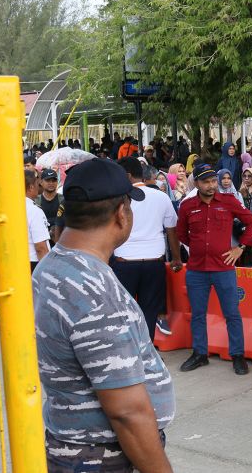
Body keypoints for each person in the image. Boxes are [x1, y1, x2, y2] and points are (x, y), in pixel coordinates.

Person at [33, 158, 174, 472]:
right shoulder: (94, 292)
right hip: (103, 456)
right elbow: (126, 412)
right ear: (121, 214)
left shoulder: (52, 266)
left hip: (72, 446)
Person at [176, 164, 252, 374]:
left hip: (224, 268)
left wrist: (240, 248)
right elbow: (182, 234)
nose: (212, 186)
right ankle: (200, 354)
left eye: (213, 181)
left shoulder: (229, 202)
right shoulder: (187, 206)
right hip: (196, 269)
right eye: (206, 182)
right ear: (197, 184)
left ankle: (237, 355)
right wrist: (196, 247)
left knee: (232, 313)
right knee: (198, 314)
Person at [112, 157, 182, 341]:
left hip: (124, 264)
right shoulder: (161, 196)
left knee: (123, 312)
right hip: (154, 264)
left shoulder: (119, 199)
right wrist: (176, 258)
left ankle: (127, 352)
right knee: (150, 311)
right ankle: (147, 350)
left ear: (127, 175)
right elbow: (172, 231)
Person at [25, 169, 50, 272]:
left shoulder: (12, 208)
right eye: (37, 184)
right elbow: (41, 247)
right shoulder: (34, 211)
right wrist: (47, 271)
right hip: (34, 264)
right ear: (31, 187)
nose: (38, 187)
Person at [36, 168, 63, 244]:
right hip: (41, 241)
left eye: (53, 180)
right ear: (41, 182)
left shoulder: (63, 200)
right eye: (48, 180)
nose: (51, 183)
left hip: (60, 241)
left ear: (57, 182)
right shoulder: (36, 201)